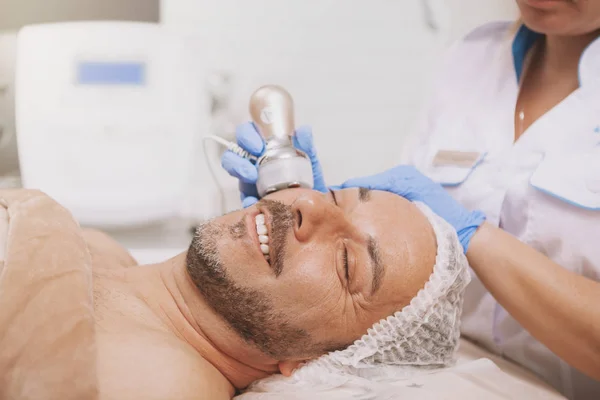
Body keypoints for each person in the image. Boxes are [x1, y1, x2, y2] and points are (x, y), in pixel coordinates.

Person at [221, 1, 600, 398]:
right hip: (435, 371)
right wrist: (327, 217)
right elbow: (405, 248)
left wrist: (475, 237)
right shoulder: (473, 59)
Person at [87, 186, 468, 399]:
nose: (308, 204)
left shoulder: (158, 385)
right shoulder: (101, 251)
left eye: (347, 262)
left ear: (316, 362)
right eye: (335, 196)